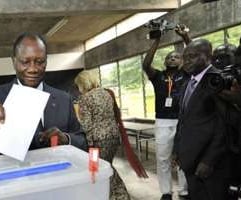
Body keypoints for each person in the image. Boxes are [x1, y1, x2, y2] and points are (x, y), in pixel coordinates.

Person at [0, 32, 87, 151]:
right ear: (14, 61)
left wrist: (66, 139)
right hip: (12, 168)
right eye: (25, 62)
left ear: (46, 61)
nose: (33, 69)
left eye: (40, 62)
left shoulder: (64, 99)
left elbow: (82, 141)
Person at [173, 39, 230, 200]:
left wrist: (209, 160)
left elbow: (224, 126)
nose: (187, 61)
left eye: (193, 56)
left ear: (208, 57)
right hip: (191, 160)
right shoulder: (188, 83)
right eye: (185, 57)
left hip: (209, 164)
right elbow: (183, 120)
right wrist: (178, 150)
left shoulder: (217, 81)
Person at [142, 24, 190, 200]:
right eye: (170, 56)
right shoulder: (158, 76)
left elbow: (194, 56)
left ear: (182, 62)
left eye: (177, 56)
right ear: (165, 61)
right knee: (163, 159)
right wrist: (157, 40)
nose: (173, 58)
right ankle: (166, 192)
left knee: (183, 157)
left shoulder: (185, 74)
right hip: (162, 122)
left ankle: (184, 190)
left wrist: (185, 37)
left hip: (181, 121)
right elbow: (146, 64)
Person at [74, 70, 137, 200]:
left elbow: (86, 125)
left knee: (97, 169)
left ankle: (117, 194)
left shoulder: (85, 98)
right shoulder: (106, 93)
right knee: (105, 166)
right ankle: (114, 194)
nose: (78, 89)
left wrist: (89, 145)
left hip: (97, 141)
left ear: (83, 83)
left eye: (78, 85)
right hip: (113, 137)